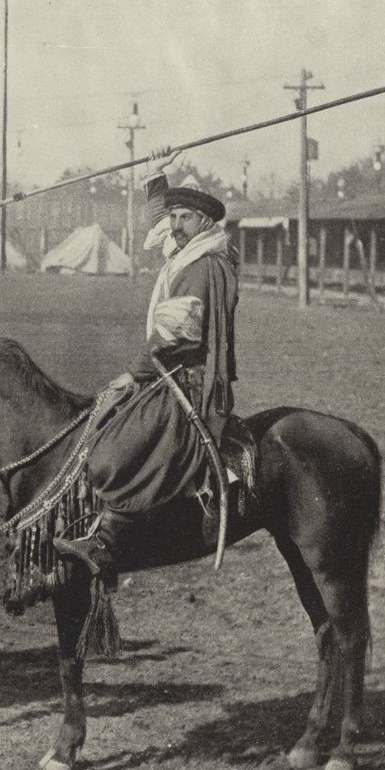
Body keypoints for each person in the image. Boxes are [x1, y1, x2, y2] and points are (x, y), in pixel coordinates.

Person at [54, 145, 239, 580]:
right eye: (174, 217)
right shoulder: (189, 248)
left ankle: (109, 542)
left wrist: (131, 373)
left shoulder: (204, 265)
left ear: (204, 224)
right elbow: (161, 224)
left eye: (184, 219)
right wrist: (157, 175)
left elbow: (176, 335)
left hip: (192, 384)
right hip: (170, 374)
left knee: (130, 442)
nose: (174, 226)